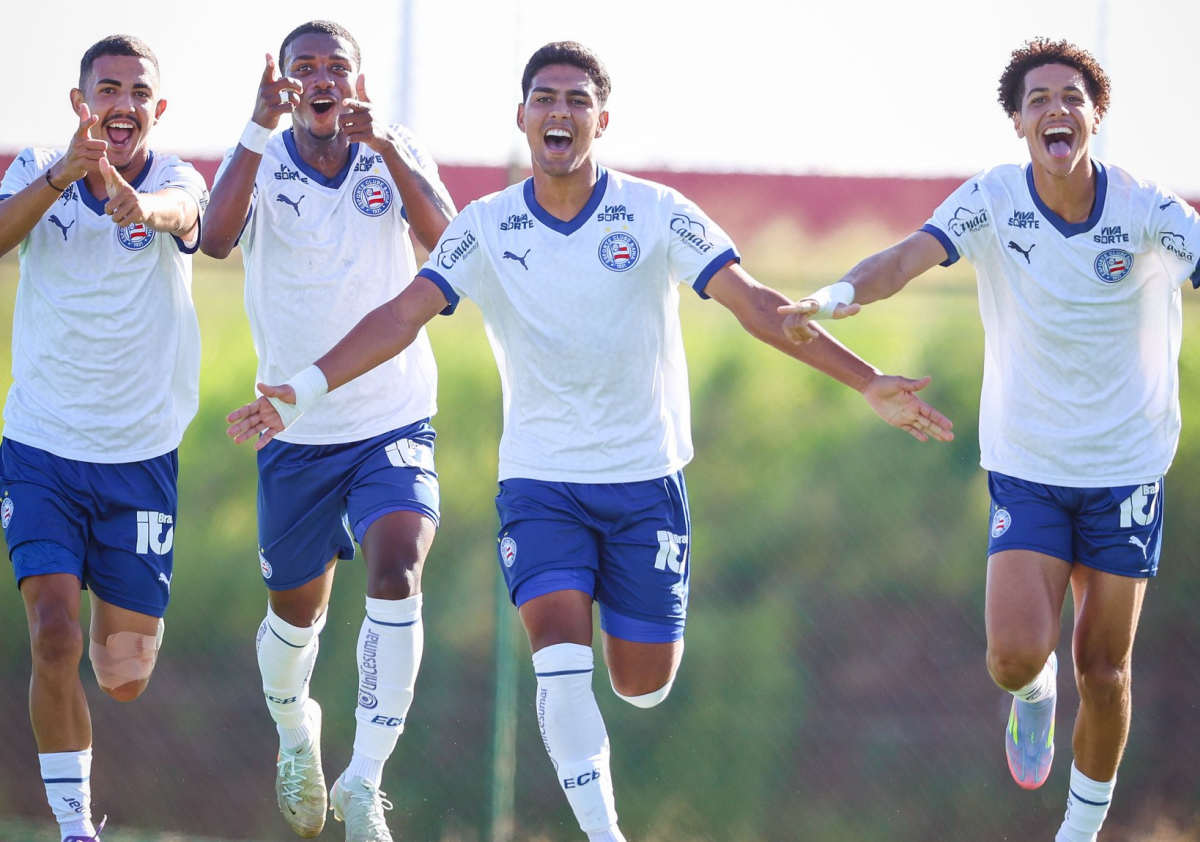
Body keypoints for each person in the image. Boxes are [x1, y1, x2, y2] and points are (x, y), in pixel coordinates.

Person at [227, 41, 953, 841]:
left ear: (601, 119)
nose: (559, 112)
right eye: (544, 98)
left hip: (645, 482)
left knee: (642, 683)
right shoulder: (487, 227)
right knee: (558, 659)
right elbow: (401, 316)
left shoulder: (655, 211)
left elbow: (752, 303)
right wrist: (305, 388)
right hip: (540, 485)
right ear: (523, 118)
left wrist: (867, 379)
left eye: (576, 100)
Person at [784, 38, 1200, 842]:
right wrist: (836, 295)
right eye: (1038, 98)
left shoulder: (1147, 208)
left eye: (1071, 97)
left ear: (1095, 116)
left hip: (1126, 470)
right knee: (1015, 658)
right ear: (1018, 121)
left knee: (1106, 672)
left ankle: (1077, 833)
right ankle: (1034, 701)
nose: (1056, 109)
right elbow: (906, 257)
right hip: (1029, 465)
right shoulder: (992, 200)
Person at [200, 19, 455, 842]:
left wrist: (391, 144)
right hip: (296, 428)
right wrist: (253, 123)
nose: (320, 79)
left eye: (334, 66)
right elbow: (212, 237)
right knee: (294, 620)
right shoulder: (264, 154)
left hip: (392, 416)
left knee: (397, 570)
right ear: (286, 81)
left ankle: (364, 782)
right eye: (303, 67)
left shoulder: (394, 147)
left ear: (357, 78)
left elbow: (449, 242)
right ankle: (296, 735)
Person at [0, 34, 207, 842]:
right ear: (82, 102)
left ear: (158, 108)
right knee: (54, 634)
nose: (123, 104)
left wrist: (137, 205)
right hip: (41, 449)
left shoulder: (176, 176)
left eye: (138, 92)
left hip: (139, 458)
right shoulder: (37, 170)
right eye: (107, 89)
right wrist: (63, 176)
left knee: (122, 676)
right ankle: (74, 827)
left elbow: (184, 215)